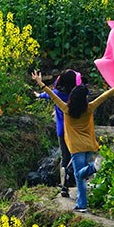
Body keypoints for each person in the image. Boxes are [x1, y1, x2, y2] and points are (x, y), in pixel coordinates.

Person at [33, 70, 114, 213]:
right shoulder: (89, 108)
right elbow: (104, 96)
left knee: (79, 174)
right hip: (90, 145)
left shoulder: (66, 109)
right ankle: (82, 205)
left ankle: (94, 168)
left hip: (76, 148)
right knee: (81, 179)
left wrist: (40, 83)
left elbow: (52, 96)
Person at [35, 69, 80, 197]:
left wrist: (38, 94)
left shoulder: (57, 94)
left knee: (65, 158)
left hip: (62, 131)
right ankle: (77, 182)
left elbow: (47, 94)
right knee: (76, 157)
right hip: (75, 131)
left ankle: (64, 186)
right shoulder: (75, 95)